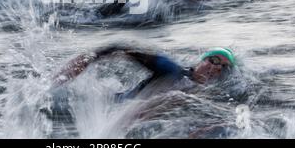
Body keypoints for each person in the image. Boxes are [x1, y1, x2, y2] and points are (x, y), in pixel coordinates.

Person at [54, 46, 236, 102]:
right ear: (200, 61)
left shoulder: (207, 95)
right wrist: (83, 62)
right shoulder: (172, 71)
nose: (216, 68)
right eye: (214, 60)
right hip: (112, 105)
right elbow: (121, 46)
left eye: (223, 68)